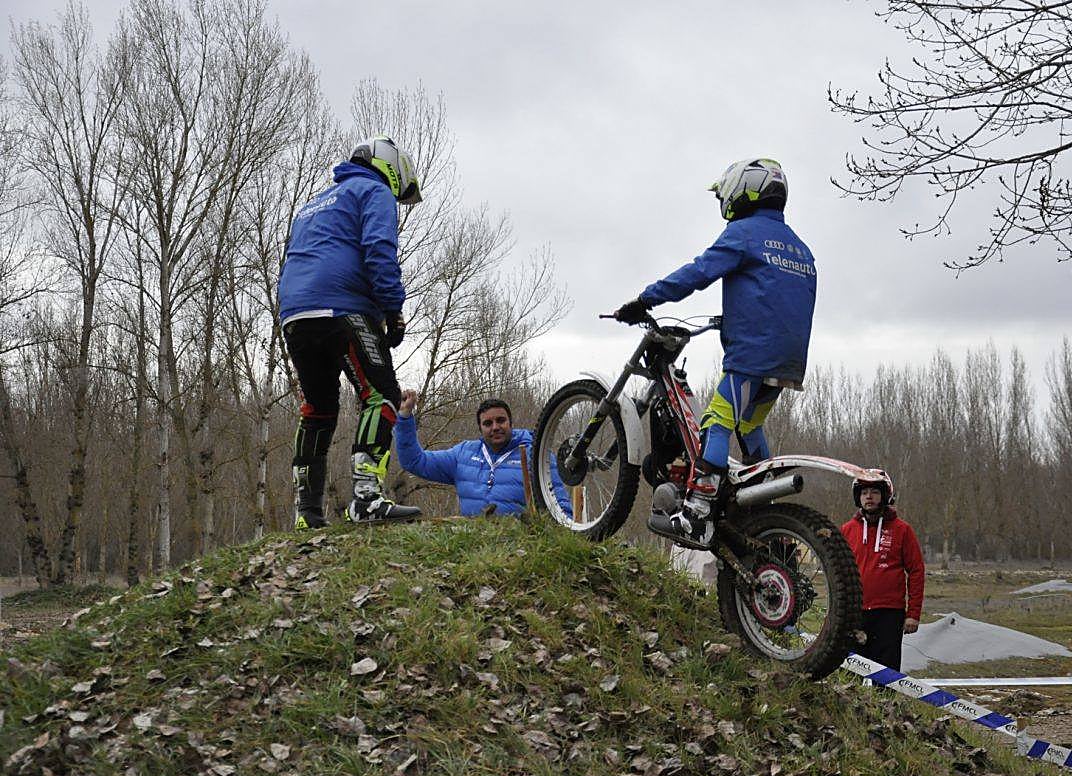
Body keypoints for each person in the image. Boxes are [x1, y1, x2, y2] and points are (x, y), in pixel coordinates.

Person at [612, 158, 816, 546]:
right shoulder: (800, 249)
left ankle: (696, 513)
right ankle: (767, 510)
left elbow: (698, 272)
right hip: (789, 359)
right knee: (750, 425)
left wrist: (645, 300)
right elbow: (781, 300)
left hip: (751, 356)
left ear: (744, 190)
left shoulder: (743, 234)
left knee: (717, 423)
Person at [278, 135, 424, 530]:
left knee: (318, 409)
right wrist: (393, 310)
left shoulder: (314, 203)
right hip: (341, 306)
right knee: (383, 396)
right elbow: (379, 250)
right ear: (392, 168)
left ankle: (306, 514)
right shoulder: (373, 190)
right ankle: (366, 500)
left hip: (294, 313)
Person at [393, 393, 574, 516]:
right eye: (488, 423)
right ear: (480, 428)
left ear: (511, 423)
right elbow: (414, 461)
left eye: (501, 420)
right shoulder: (463, 454)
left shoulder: (535, 454)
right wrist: (405, 416)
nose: (495, 427)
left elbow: (559, 505)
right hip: (474, 545)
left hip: (520, 544)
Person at [839, 470, 925, 671]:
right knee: (852, 674)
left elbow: (916, 571)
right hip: (854, 613)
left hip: (889, 614)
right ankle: (855, 704)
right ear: (858, 497)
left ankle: (885, 704)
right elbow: (838, 573)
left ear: (885, 496)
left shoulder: (902, 530)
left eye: (874, 492)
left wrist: (913, 613)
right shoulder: (846, 530)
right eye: (864, 492)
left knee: (886, 675)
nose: (869, 497)